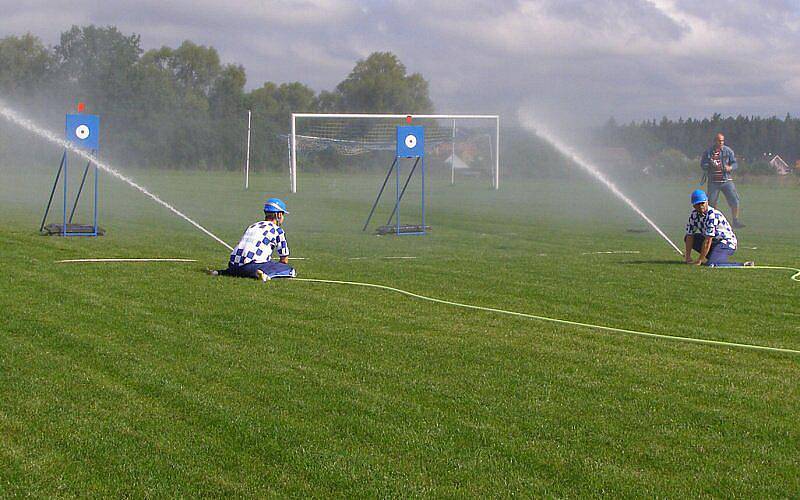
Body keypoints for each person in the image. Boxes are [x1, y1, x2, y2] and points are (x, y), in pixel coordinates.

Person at [211, 198, 296, 281]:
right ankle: (266, 274)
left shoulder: (253, 226)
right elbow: (284, 260)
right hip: (251, 266)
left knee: (249, 265)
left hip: (233, 265)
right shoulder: (277, 230)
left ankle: (221, 272)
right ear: (279, 215)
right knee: (289, 270)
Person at [684, 189, 753, 267]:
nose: (701, 206)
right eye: (697, 204)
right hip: (714, 243)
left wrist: (700, 260)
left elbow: (708, 240)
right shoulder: (694, 215)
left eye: (702, 203)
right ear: (693, 205)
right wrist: (688, 257)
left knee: (711, 264)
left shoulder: (712, 215)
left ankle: (743, 264)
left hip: (726, 243)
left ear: (707, 202)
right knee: (688, 238)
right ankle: (715, 257)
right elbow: (690, 235)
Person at [700, 133, 744, 228]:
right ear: (715, 141)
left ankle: (735, 221)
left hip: (726, 180)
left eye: (722, 141)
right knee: (711, 202)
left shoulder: (728, 151)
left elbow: (735, 164)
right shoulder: (708, 152)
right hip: (713, 182)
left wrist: (730, 167)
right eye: (719, 141)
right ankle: (714, 221)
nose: (721, 143)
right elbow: (703, 164)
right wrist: (709, 166)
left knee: (735, 200)